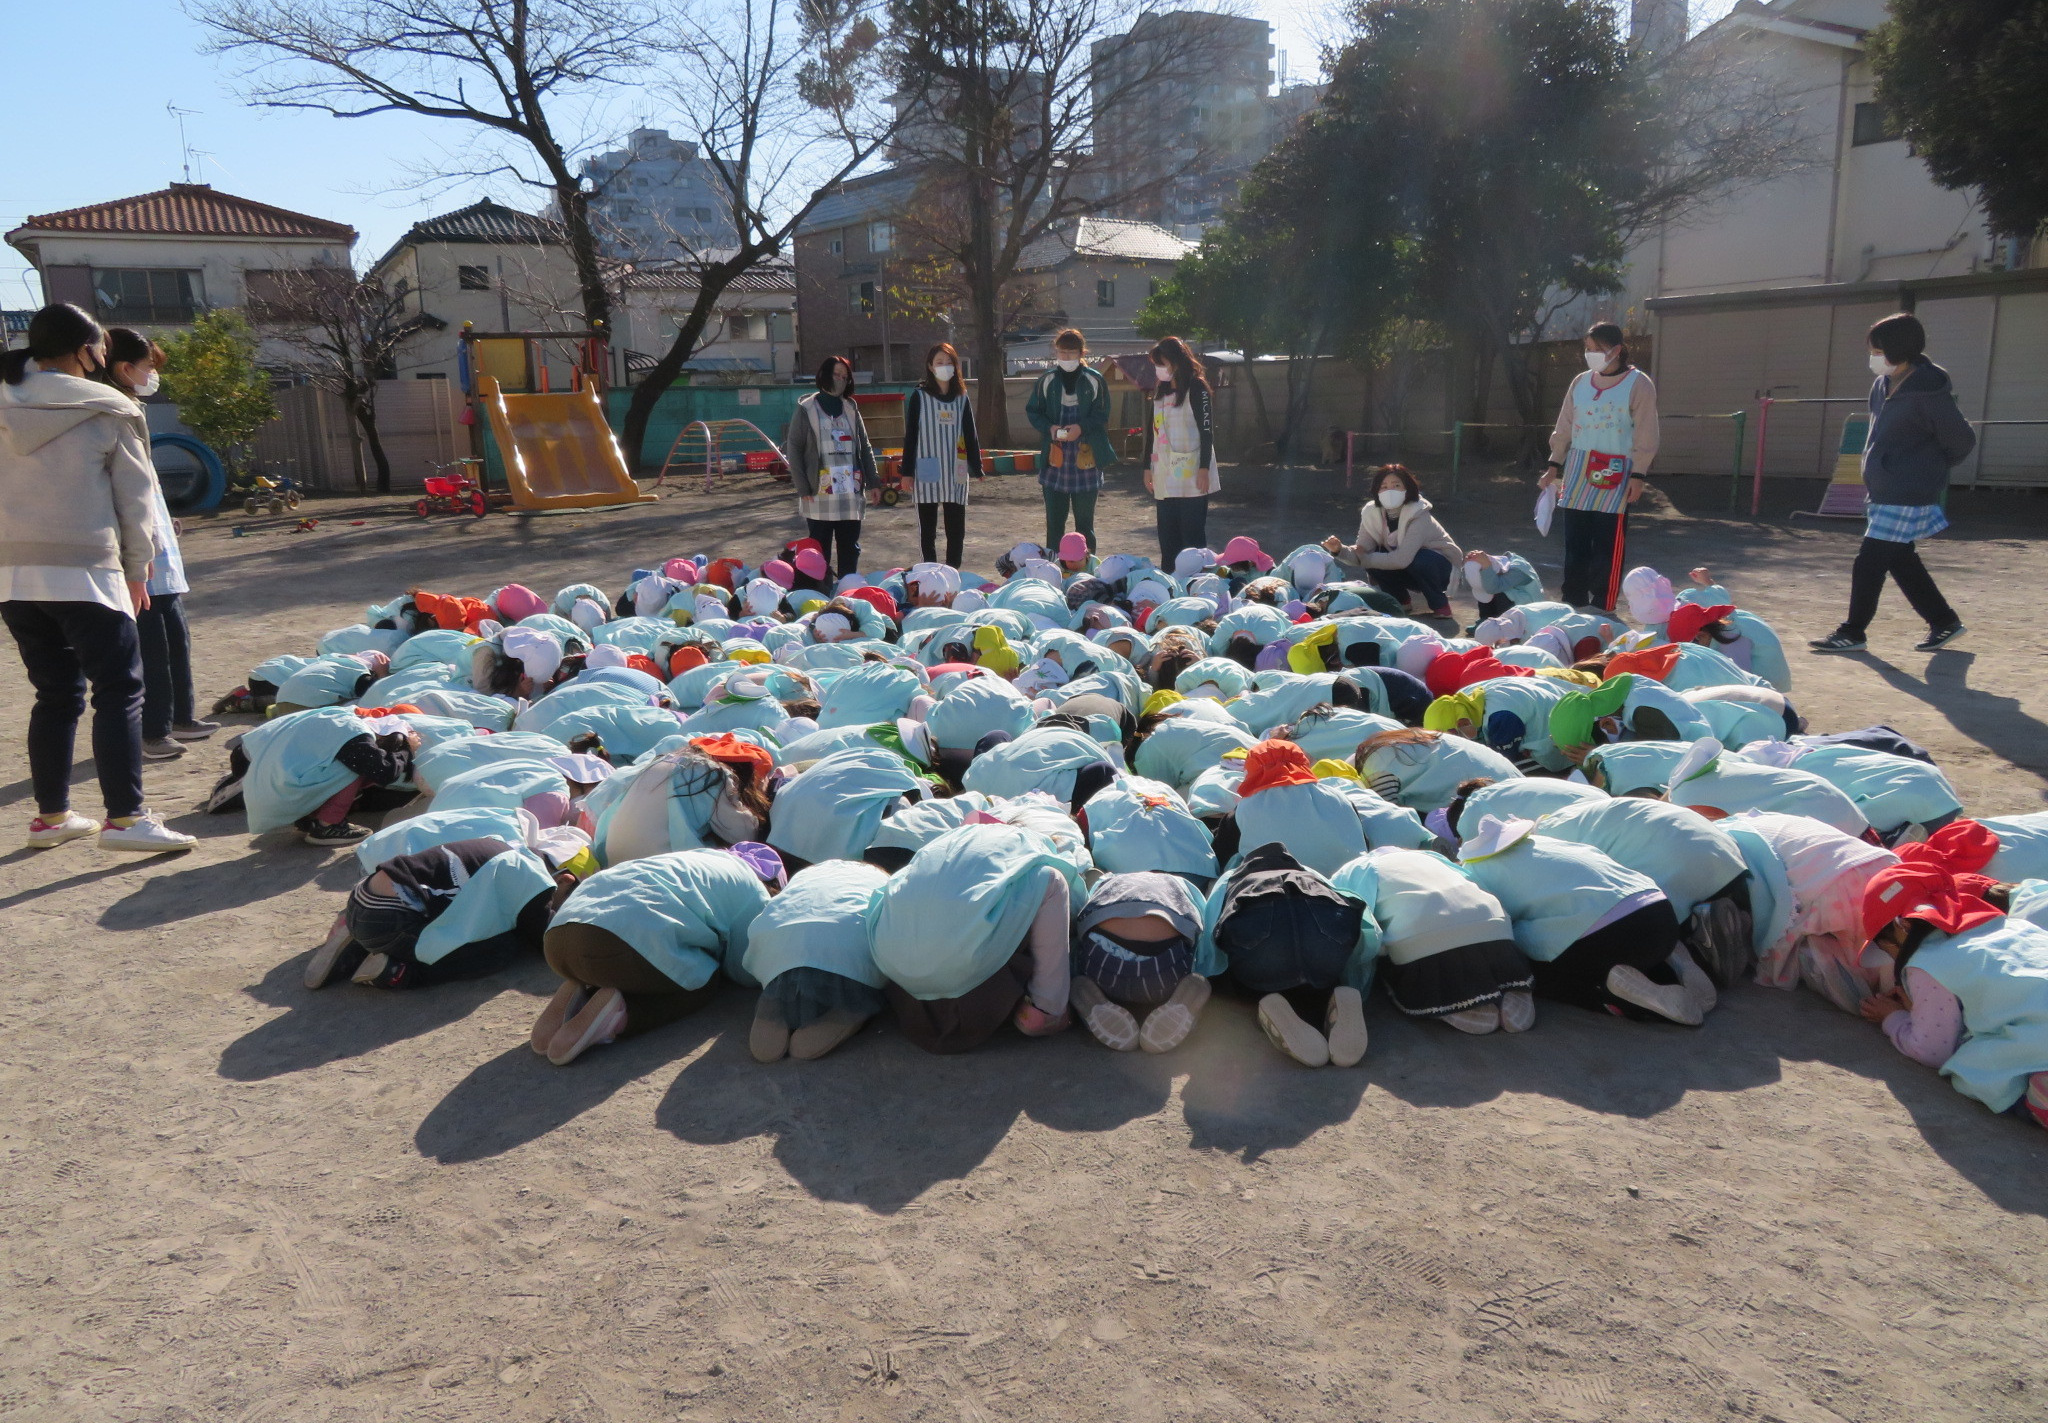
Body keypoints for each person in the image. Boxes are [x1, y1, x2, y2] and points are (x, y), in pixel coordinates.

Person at [0, 303, 194, 853]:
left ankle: (52, 817)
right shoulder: (110, 407)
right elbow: (137, 504)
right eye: (100, 350)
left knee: (55, 694)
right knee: (120, 690)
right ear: (86, 350)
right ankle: (126, 821)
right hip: (87, 572)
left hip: (13, 577)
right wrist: (139, 570)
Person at [1810, 312, 1975, 655]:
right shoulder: (1883, 384)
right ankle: (1944, 621)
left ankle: (1852, 631)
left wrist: (1924, 470)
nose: (1873, 357)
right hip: (1885, 489)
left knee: (1869, 561)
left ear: (1898, 348)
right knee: (1900, 558)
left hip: (1906, 492)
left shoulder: (1927, 391)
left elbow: (1961, 440)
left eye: (1877, 350)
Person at [1457, 815, 1716, 1026]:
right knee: (1620, 939)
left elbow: (1495, 923)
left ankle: (1611, 996)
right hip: (1660, 913)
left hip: (1606, 939)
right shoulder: (1549, 843)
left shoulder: (1476, 871)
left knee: (1539, 966)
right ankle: (1672, 961)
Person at [95, 328, 218, 760]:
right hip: (137, 555)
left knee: (174, 636)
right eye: (149, 368)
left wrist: (165, 523)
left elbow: (143, 486)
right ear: (125, 368)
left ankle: (181, 718)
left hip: (157, 546)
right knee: (151, 645)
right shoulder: (109, 411)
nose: (153, 376)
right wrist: (141, 543)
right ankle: (154, 731)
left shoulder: (130, 409)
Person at [533, 847, 772, 1065]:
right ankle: (619, 1014)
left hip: (557, 940)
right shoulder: (754, 890)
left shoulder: (693, 860)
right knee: (704, 981)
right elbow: (745, 968)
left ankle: (582, 991)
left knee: (649, 956)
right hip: (613, 945)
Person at [1540, 322, 1659, 610]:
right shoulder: (1580, 382)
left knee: (1608, 543)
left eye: (1598, 349)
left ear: (1617, 350)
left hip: (1616, 472)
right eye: (1588, 349)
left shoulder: (1639, 383)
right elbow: (1565, 424)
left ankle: (1603, 603)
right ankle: (1573, 599)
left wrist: (1638, 474)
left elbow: (1646, 431)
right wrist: (1554, 464)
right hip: (1578, 469)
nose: (1590, 354)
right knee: (1575, 541)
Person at [1068, 871, 1213, 1053]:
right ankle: (1183, 993)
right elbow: (1204, 937)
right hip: (1163, 973)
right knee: (1190, 948)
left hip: (1103, 967)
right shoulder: (1183, 886)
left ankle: (1091, 994)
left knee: (1078, 946)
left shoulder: (1107, 881)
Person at [1321, 464, 1463, 620]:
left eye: (1396, 485)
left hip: (1441, 570)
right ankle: (1400, 601)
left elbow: (1401, 559)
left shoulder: (1419, 513)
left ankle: (1440, 604)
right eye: (1384, 486)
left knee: (1420, 559)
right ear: (1377, 490)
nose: (1390, 491)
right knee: (1376, 557)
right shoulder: (1371, 513)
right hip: (1408, 568)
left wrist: (1366, 559)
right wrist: (1339, 550)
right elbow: (1362, 550)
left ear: (1407, 488)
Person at [781, 356, 877, 581]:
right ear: (825, 374)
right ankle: (821, 588)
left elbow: (865, 446)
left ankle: (847, 587)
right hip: (818, 494)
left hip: (849, 492)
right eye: (837, 375)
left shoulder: (851, 409)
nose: (841, 380)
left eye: (845, 377)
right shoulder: (807, 409)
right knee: (819, 550)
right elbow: (793, 449)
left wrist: (874, 481)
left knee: (849, 547)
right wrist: (803, 488)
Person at [1025, 330, 1115, 553]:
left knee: (1085, 526)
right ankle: (1054, 569)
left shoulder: (1095, 379)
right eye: (1061, 353)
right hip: (1054, 460)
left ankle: (1087, 570)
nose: (1065, 357)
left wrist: (1081, 428)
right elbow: (1033, 411)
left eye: (1071, 353)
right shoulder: (1046, 380)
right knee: (1054, 524)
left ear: (1081, 353)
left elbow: (1102, 414)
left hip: (1086, 458)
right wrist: (1050, 428)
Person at [900, 342, 982, 569]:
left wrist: (977, 465)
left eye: (949, 363)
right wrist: (906, 472)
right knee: (928, 531)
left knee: (956, 529)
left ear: (956, 366)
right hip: (926, 468)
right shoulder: (919, 396)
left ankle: (952, 571)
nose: (944, 367)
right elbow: (911, 436)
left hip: (956, 469)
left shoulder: (961, 397)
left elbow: (970, 433)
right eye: (939, 363)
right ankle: (929, 571)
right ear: (930, 366)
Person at [1143, 337, 1218, 569]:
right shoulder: (1160, 391)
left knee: (1192, 537)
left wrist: (1204, 468)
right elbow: (1152, 432)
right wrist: (1147, 467)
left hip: (1192, 474)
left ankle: (1197, 583)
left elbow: (1207, 431)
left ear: (1176, 361)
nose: (1159, 369)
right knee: (1168, 539)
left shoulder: (1197, 387)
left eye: (1162, 363)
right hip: (1164, 474)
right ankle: (1170, 584)